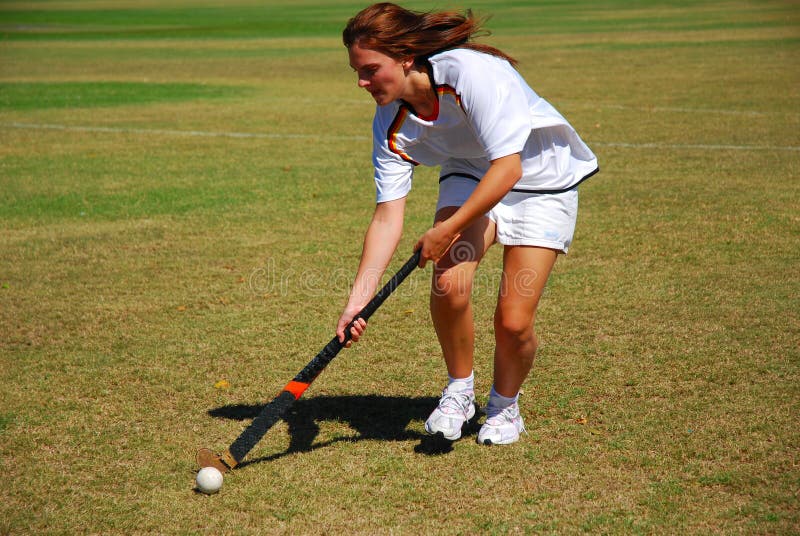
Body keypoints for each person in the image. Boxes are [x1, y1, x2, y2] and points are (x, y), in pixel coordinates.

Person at [335, 3, 598, 445]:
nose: (362, 83)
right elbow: (387, 216)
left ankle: (504, 407)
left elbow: (509, 169)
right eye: (356, 72)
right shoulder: (390, 122)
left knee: (513, 322)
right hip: (471, 172)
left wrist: (445, 228)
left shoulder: (472, 73)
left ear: (405, 56)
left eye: (370, 69)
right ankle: (460, 391)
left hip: (540, 176)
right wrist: (356, 301)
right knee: (449, 284)